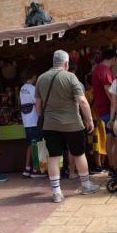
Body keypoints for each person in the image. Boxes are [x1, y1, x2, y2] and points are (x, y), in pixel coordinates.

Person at [35, 50, 99, 203]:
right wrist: (89, 119)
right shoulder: (71, 77)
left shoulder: (41, 79)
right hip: (72, 124)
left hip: (50, 124)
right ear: (66, 63)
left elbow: (38, 103)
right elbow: (82, 101)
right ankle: (85, 186)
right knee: (78, 154)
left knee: (54, 157)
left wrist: (41, 118)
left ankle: (56, 192)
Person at [92, 49, 117, 175]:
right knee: (115, 138)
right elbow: (108, 90)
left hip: (103, 109)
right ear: (113, 59)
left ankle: (112, 166)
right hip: (108, 108)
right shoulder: (104, 70)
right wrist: (116, 105)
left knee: (110, 137)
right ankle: (115, 166)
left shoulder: (98, 69)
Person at [19, 68, 46, 179]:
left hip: (26, 121)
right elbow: (38, 103)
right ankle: (36, 169)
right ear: (33, 76)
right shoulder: (34, 89)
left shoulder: (22, 89)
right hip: (34, 120)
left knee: (30, 144)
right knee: (37, 145)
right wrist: (40, 117)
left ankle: (27, 168)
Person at [84, 75, 106, 174]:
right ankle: (103, 164)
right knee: (103, 142)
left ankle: (98, 166)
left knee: (95, 144)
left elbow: (85, 107)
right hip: (103, 120)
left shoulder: (87, 94)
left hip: (92, 120)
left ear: (88, 84)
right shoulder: (101, 93)